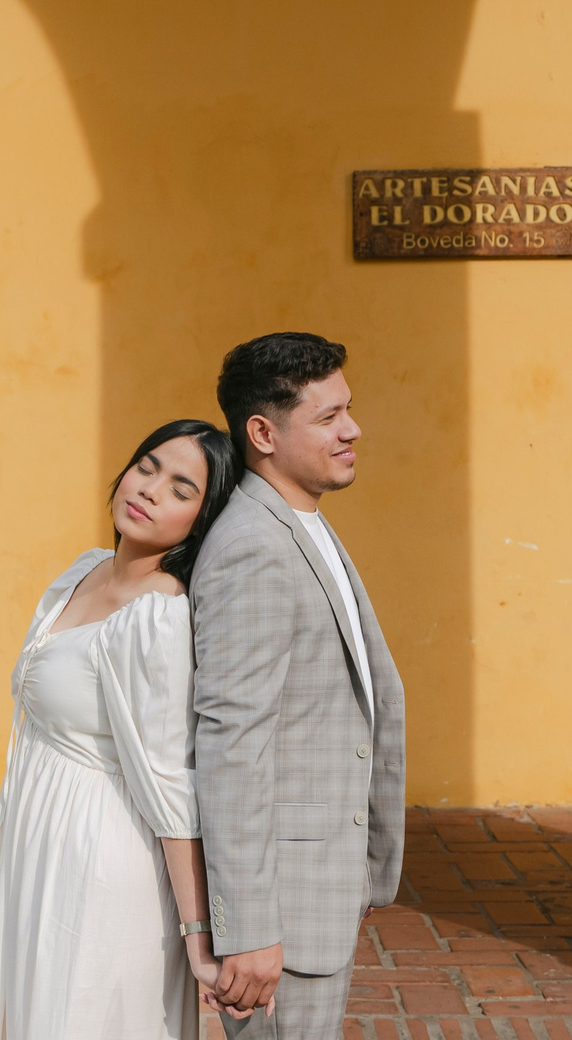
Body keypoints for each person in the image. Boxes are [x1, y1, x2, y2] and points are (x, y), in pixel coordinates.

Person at [0, 419, 242, 1038]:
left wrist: (199, 939)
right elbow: (34, 739)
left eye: (182, 489)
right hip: (33, 842)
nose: (151, 489)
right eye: (147, 466)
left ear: (202, 520)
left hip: (100, 859)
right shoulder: (82, 573)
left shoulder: (157, 617)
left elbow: (170, 782)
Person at [192, 333, 407, 1038]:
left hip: (320, 884)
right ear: (263, 432)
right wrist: (248, 927)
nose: (353, 428)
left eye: (349, 409)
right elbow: (232, 743)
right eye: (328, 417)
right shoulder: (253, 545)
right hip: (279, 917)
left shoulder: (300, 522)